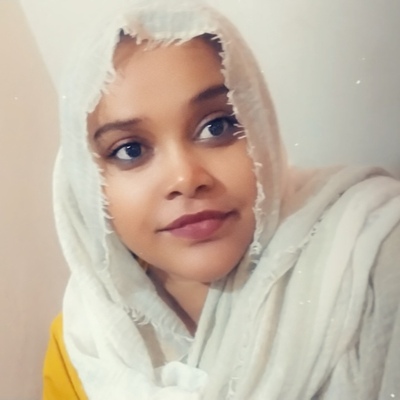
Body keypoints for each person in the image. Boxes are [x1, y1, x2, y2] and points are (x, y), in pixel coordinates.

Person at [42, 0, 400, 399]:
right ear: (86, 184)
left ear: (260, 126)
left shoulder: (371, 254)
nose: (185, 178)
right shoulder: (81, 343)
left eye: (217, 126)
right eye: (131, 150)